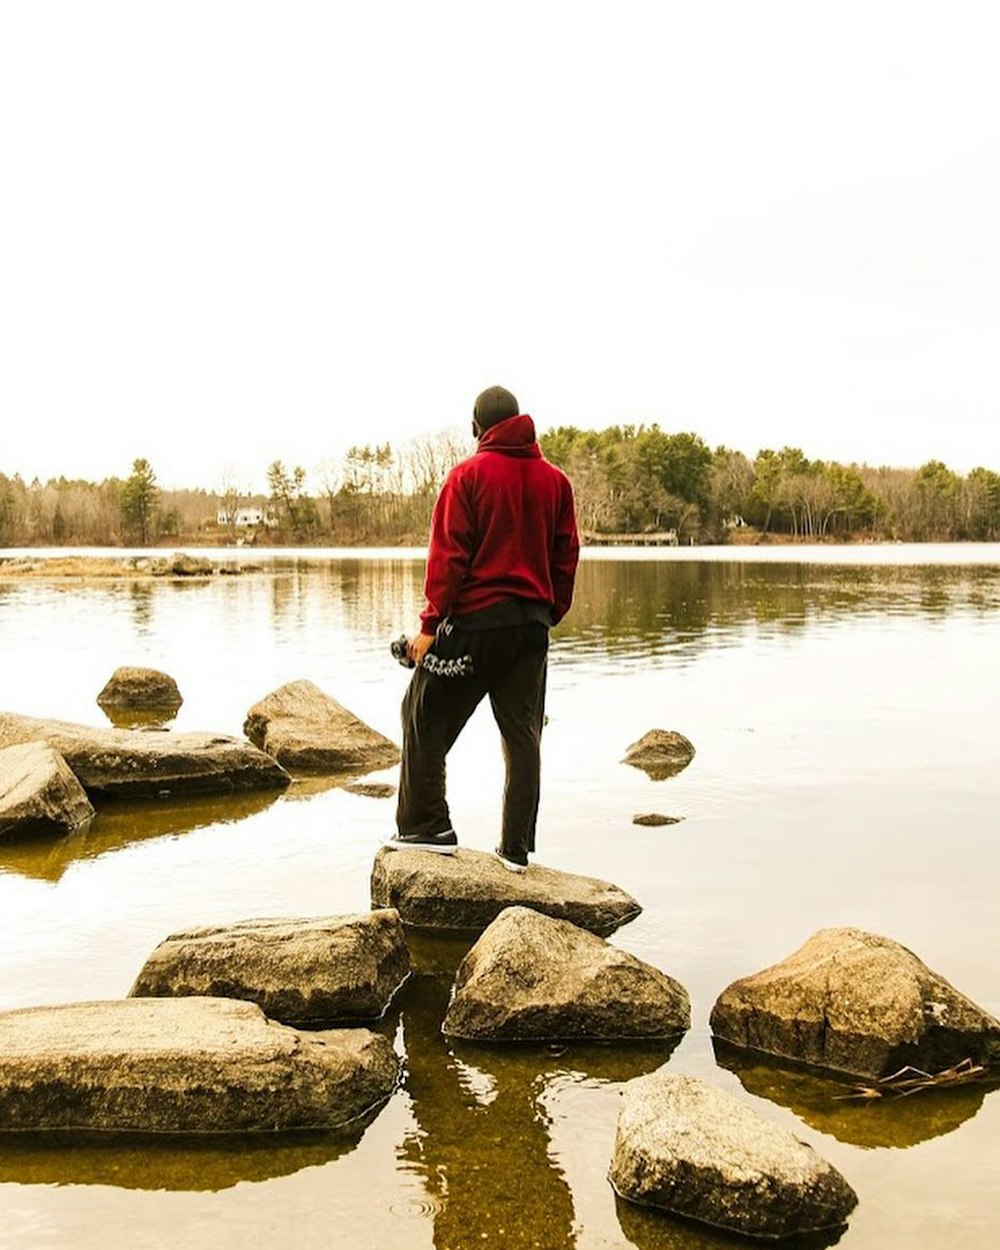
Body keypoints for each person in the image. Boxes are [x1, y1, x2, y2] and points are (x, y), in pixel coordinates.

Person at [388, 385, 580, 871]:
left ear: (477, 429)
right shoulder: (555, 482)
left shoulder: (467, 477)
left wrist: (430, 628)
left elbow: (448, 559)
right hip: (531, 628)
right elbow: (566, 556)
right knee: (523, 737)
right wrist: (548, 612)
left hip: (475, 627)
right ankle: (515, 851)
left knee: (421, 712)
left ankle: (425, 827)